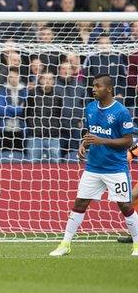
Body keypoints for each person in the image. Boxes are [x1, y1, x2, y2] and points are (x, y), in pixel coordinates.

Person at [50, 74, 138, 256]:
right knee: (80, 203)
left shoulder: (121, 112)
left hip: (116, 168)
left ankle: (137, 244)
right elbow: (92, 132)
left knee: (125, 206)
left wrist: (101, 140)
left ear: (108, 89)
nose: (93, 89)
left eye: (97, 86)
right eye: (93, 86)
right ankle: (65, 244)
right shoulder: (90, 108)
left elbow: (128, 141)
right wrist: (85, 144)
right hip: (93, 167)